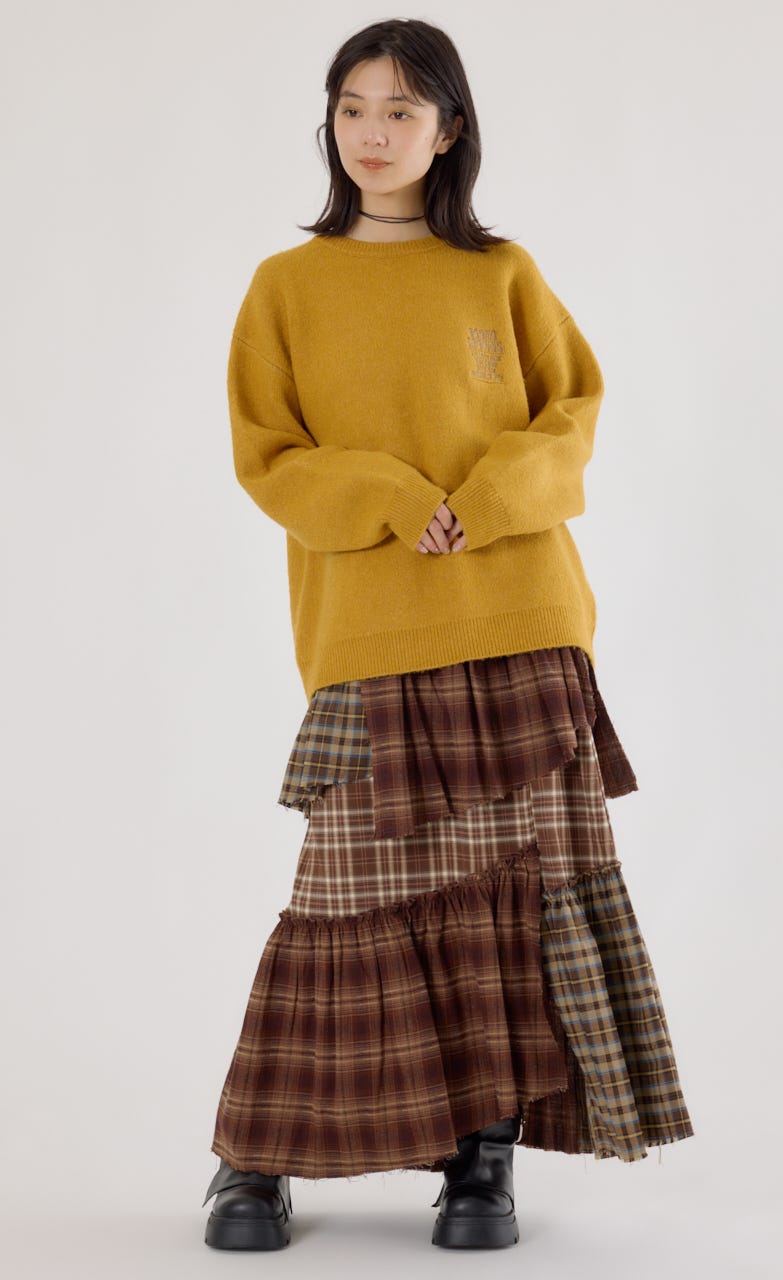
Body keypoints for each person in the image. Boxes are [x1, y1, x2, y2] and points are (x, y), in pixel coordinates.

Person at [201, 16, 694, 1253]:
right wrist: (384, 492)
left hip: (522, 616)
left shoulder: (501, 272)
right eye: (352, 107)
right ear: (329, 121)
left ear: (448, 129)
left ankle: (483, 1156)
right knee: (340, 903)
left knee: (516, 905)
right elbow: (269, 456)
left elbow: (572, 413)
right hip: (370, 629)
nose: (372, 133)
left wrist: (487, 498)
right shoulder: (286, 285)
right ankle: (254, 1154)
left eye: (401, 110)